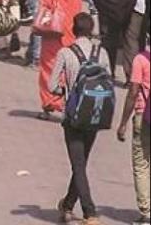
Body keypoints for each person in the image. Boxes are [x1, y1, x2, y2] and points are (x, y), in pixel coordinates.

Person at [48, 12, 109, 225]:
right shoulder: (102, 53)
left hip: (73, 116)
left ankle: (90, 212)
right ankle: (66, 205)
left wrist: (65, 91)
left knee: (78, 164)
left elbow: (52, 85)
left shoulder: (66, 53)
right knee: (81, 163)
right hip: (95, 115)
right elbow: (108, 79)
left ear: (74, 29)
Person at [38, 0, 84, 120]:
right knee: (67, 72)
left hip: (52, 36)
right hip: (69, 36)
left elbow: (44, 10)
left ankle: (48, 104)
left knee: (48, 70)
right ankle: (66, 105)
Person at [116, 41, 150, 225]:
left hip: (143, 116)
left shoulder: (141, 60)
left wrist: (123, 123)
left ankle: (146, 212)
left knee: (141, 164)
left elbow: (133, 92)